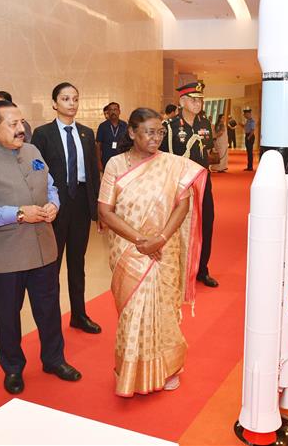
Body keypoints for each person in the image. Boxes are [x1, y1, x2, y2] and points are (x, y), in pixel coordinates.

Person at [0, 100, 81, 395]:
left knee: (49, 309)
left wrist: (54, 203)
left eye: (22, 123)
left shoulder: (33, 151)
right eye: (12, 124)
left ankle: (54, 359)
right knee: (8, 317)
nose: (21, 129)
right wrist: (17, 213)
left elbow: (50, 184)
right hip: (6, 253)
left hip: (43, 247)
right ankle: (13, 368)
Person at [98, 107, 206, 396]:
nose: (156, 137)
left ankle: (169, 367)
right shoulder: (116, 166)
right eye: (149, 131)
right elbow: (105, 211)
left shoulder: (174, 164)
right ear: (132, 133)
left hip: (164, 248)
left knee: (164, 309)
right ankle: (130, 372)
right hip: (128, 250)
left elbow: (182, 205)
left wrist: (160, 238)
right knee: (132, 311)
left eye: (160, 132)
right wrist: (140, 240)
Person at [31, 82, 102, 334]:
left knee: (77, 262)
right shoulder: (42, 134)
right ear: (54, 103)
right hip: (56, 205)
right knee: (52, 265)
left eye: (75, 98)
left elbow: (93, 172)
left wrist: (97, 209)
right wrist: (43, 204)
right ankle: (51, 323)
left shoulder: (86, 133)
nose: (71, 103)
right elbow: (37, 170)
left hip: (80, 203)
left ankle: (79, 314)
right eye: (65, 99)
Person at [160, 81, 218, 288]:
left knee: (206, 224)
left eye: (200, 99)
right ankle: (177, 268)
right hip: (180, 184)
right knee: (178, 227)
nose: (198, 103)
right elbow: (164, 158)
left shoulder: (205, 124)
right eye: (193, 99)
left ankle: (202, 269)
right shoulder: (169, 126)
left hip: (203, 182)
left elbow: (208, 152)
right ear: (182, 101)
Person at [95, 101, 127, 172]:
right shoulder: (102, 126)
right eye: (111, 110)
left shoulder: (125, 125)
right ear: (108, 112)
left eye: (115, 109)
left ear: (119, 111)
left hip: (121, 161)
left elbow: (129, 144)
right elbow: (98, 145)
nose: (113, 112)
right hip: (106, 161)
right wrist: (99, 162)